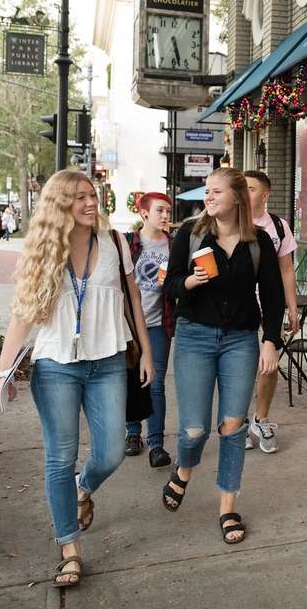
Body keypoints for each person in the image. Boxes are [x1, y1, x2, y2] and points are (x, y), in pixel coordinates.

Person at [0, 169, 153, 588]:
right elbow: (22, 315)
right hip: (56, 366)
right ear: (60, 203)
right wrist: (3, 369)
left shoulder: (116, 243)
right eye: (79, 196)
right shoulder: (44, 251)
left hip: (109, 361)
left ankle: (84, 488)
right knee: (58, 458)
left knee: (112, 452)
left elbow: (133, 299)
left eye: (93, 195)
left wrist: (147, 353)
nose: (89, 202)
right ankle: (70, 548)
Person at [163, 167, 285, 544]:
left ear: (237, 197)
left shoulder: (259, 241)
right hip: (194, 338)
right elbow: (169, 287)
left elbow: (274, 294)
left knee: (233, 426)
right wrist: (189, 281)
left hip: (240, 340)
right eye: (207, 191)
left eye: (216, 191)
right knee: (194, 429)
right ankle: (184, 468)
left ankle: (227, 506)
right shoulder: (191, 233)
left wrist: (271, 341)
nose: (209, 197)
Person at [243, 170, 299, 453]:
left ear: (264, 195)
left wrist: (292, 307)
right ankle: (237, 422)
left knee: (269, 364)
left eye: (250, 188)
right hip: (239, 308)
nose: (243, 192)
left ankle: (260, 418)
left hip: (270, 307)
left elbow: (286, 269)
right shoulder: (230, 222)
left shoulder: (278, 226)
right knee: (239, 365)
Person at [123, 192, 177, 467]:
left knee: (155, 384)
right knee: (131, 379)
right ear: (144, 213)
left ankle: (156, 444)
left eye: (168, 211)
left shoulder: (174, 245)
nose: (166, 216)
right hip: (128, 326)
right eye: (160, 211)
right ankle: (133, 434)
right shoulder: (127, 242)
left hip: (159, 324)